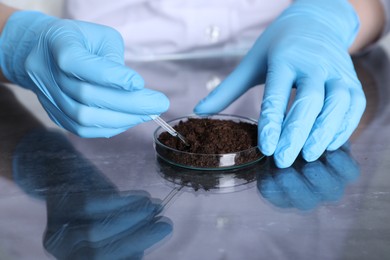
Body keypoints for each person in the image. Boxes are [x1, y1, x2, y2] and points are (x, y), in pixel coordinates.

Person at [0, 0, 388, 168]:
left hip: (295, 69)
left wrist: (328, 18)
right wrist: (17, 41)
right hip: (99, 88)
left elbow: (374, 7)